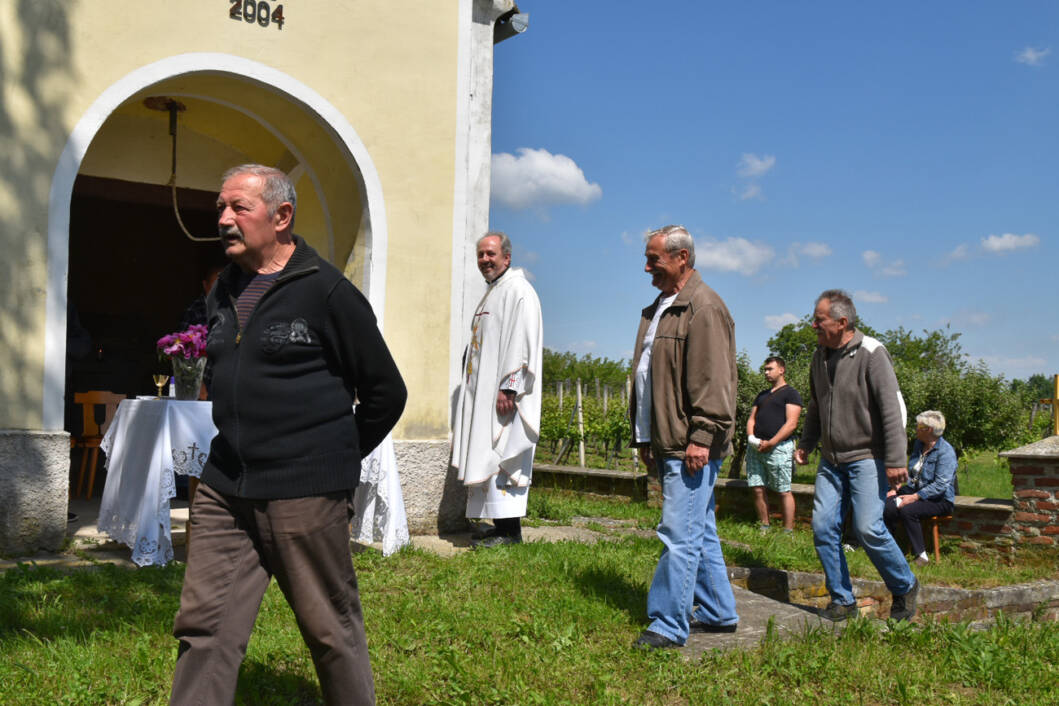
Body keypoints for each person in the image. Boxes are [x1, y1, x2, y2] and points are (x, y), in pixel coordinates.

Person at [170, 164, 406, 705]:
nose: (224, 220)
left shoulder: (326, 293)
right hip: (225, 487)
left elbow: (385, 392)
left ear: (282, 217)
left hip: (305, 494)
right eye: (220, 209)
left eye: (239, 209)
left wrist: (332, 457)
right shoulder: (223, 292)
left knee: (329, 630)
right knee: (204, 625)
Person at [630, 225, 739, 650]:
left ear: (681, 258)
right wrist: (643, 435)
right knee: (700, 528)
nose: (646, 266)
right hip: (667, 437)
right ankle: (718, 611)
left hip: (690, 443)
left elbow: (714, 380)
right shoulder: (662, 306)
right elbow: (649, 375)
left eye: (653, 258)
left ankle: (668, 625)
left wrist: (703, 436)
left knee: (678, 534)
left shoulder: (704, 307)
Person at [794, 289, 919, 622]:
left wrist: (895, 460)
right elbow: (816, 405)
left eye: (819, 320)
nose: (813, 325)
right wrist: (807, 442)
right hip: (831, 461)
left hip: (868, 457)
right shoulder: (819, 356)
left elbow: (890, 410)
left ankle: (904, 586)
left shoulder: (872, 353)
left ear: (842, 321)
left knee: (868, 528)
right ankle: (842, 599)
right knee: (822, 528)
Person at [451, 232, 543, 549]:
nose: (485, 260)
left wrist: (510, 386)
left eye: (490, 254)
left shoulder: (518, 290)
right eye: (480, 255)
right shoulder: (493, 292)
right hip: (485, 393)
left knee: (502, 454)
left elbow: (523, 342)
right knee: (490, 454)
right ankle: (498, 526)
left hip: (504, 396)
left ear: (507, 257)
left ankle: (510, 532)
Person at [883, 410, 957, 566]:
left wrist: (914, 497)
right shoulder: (919, 445)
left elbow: (940, 485)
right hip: (915, 491)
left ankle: (922, 556)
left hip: (940, 499)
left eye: (918, 426)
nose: (915, 428)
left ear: (928, 430)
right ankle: (888, 550)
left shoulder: (946, 452)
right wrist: (895, 488)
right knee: (887, 504)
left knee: (908, 509)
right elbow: (912, 474)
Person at [746, 356, 802, 533]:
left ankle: (788, 531)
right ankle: (764, 525)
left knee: (783, 490)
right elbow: (751, 419)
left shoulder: (790, 393)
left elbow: (791, 423)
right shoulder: (762, 395)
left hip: (778, 449)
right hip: (756, 448)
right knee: (757, 487)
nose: (766, 372)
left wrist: (771, 443)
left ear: (781, 370)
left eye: (770, 369)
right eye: (765, 369)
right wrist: (752, 439)